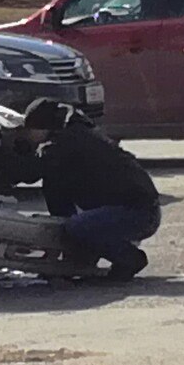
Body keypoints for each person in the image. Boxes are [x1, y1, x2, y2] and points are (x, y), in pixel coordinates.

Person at [18, 98, 160, 280]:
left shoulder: (67, 143)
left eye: (29, 130)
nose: (26, 134)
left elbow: (28, 173)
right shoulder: (76, 135)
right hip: (137, 209)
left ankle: (130, 259)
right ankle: (80, 255)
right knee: (55, 183)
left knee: (78, 227)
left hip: (139, 213)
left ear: (43, 127)